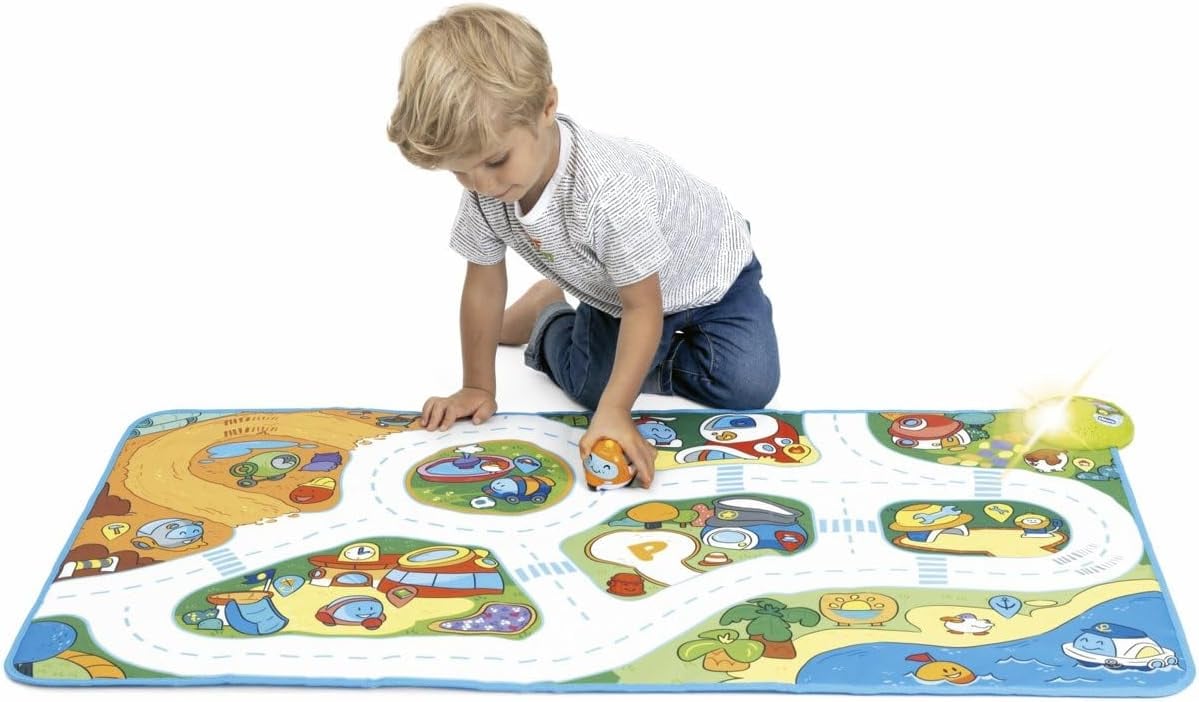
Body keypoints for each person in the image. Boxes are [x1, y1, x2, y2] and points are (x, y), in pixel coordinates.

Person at [387, 4, 779, 487]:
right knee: (595, 389)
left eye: (495, 161)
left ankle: (549, 315)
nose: (482, 185)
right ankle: (548, 313)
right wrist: (477, 386)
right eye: (460, 172)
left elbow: (644, 306)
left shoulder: (606, 193)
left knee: (750, 385)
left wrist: (617, 410)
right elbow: (484, 282)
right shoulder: (486, 193)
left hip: (712, 275)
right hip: (615, 289)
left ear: (546, 106)